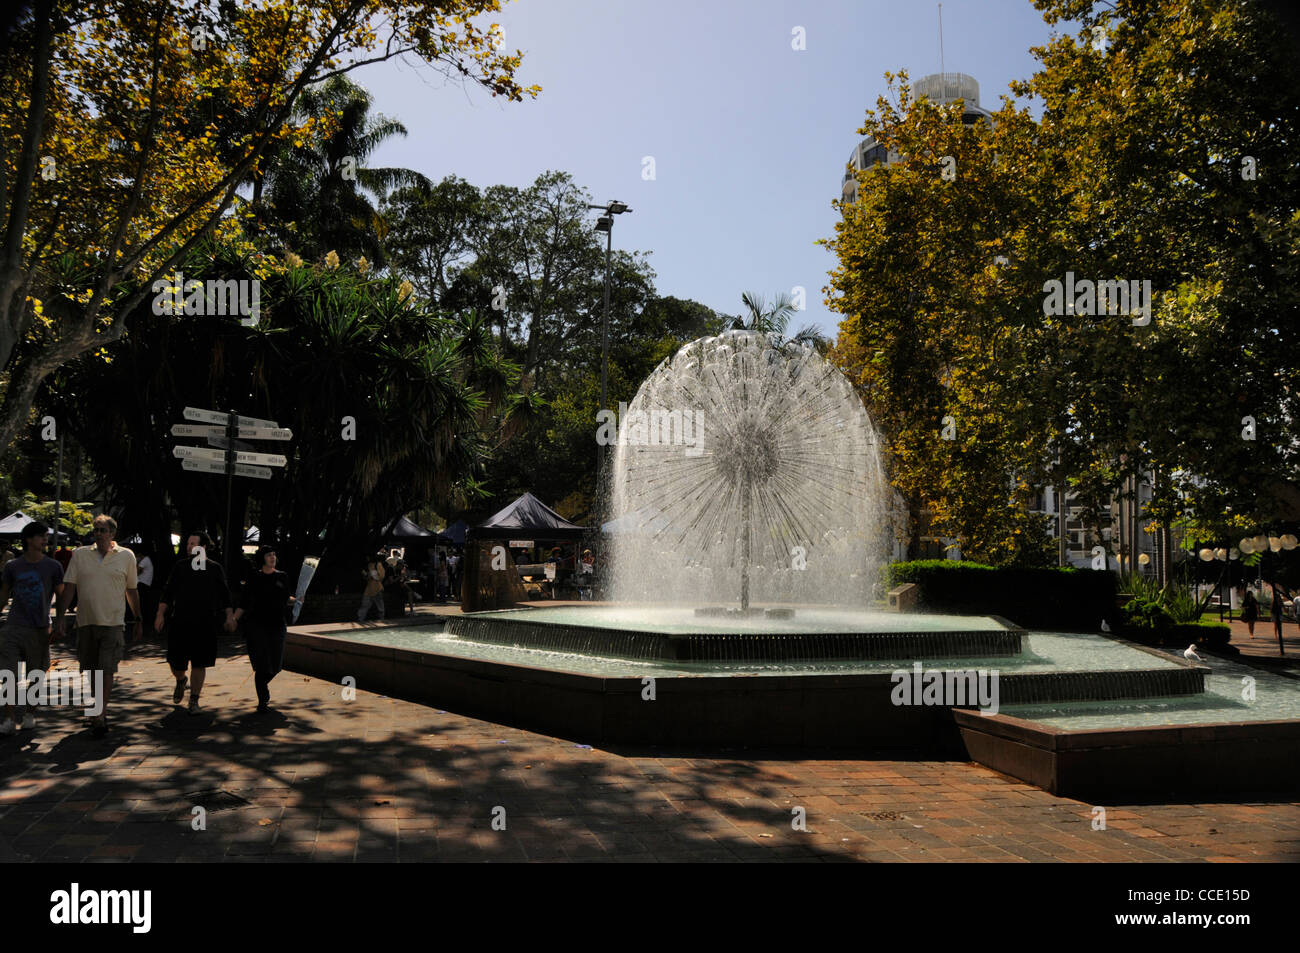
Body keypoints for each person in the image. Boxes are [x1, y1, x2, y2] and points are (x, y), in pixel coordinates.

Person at [56, 514, 142, 737]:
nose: (99, 534)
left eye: (103, 530)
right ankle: (96, 710)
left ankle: (100, 715)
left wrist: (138, 618)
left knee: (106, 669)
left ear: (113, 533)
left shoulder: (126, 556)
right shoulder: (81, 555)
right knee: (91, 669)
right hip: (86, 622)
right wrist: (60, 618)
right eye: (96, 530)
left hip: (113, 622)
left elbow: (131, 590)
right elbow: (70, 588)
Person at [155, 532, 235, 714]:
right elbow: (168, 592)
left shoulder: (214, 568)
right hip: (180, 622)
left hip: (205, 623)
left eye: (194, 543)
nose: (189, 546)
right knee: (176, 663)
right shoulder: (180, 566)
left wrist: (230, 617)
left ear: (204, 547)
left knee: (200, 663)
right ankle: (181, 680)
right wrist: (160, 614)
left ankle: (194, 700)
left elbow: (225, 596)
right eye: (188, 543)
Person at [0, 522, 65, 735]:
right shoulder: (13, 566)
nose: (45, 540)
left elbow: (62, 595)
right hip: (14, 626)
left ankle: (29, 713)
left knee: (36, 674)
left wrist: (59, 621)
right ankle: (8, 718)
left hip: (39, 627)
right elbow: (4, 594)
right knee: (8, 673)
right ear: (28, 539)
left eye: (46, 536)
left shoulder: (53, 567)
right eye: (40, 536)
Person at [234, 547, 294, 713]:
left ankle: (262, 685)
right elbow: (244, 601)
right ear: (262, 558)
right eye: (269, 555)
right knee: (261, 664)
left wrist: (297, 600)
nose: (273, 557)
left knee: (275, 665)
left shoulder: (282, 576)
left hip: (278, 625)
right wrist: (234, 619)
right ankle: (263, 699)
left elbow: (287, 597)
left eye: (274, 554)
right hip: (257, 625)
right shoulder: (254, 577)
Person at [358, 553, 386, 622]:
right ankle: (360, 619)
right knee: (364, 604)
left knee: (380, 605)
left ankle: (381, 619)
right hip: (369, 588)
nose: (367, 559)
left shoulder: (378, 564)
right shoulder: (369, 565)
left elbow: (381, 576)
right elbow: (367, 578)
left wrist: (374, 575)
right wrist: (366, 575)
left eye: (368, 557)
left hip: (377, 588)